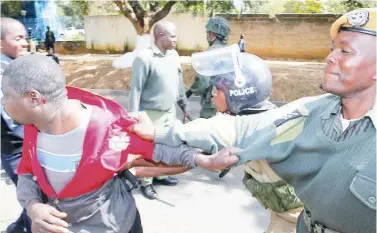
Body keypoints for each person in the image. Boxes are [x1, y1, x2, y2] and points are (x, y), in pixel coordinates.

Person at [129, 8, 376, 233]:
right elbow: (227, 131)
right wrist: (154, 139)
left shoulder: (279, 135)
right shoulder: (311, 110)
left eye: (345, 50)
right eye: (333, 48)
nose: (330, 57)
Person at [1, 54, 237, 233]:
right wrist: (33, 206)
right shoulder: (33, 125)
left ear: (33, 97)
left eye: (6, 94)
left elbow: (163, 149)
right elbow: (27, 171)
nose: (3, 101)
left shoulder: (109, 126)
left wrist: (206, 160)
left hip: (114, 226)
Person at [128, 21, 189, 200]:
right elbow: (136, 89)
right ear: (160, 36)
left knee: (168, 145)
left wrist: (184, 105)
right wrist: (134, 114)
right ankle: (146, 182)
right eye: (173, 36)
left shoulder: (174, 55)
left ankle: (161, 175)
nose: (176, 39)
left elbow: (179, 83)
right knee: (150, 149)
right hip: (150, 113)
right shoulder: (144, 58)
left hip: (169, 111)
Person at [0, 17, 32, 233]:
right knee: (36, 203)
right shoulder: (4, 74)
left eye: (25, 38)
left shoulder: (14, 67)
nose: (25, 43)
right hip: (17, 150)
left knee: (37, 199)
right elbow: (15, 120)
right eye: (18, 38)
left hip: (26, 146)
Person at [186, 16, 230, 119]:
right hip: (230, 103)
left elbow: (202, 82)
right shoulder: (231, 52)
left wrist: (190, 92)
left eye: (207, 32)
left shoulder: (208, 54)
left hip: (212, 103)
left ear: (212, 34)